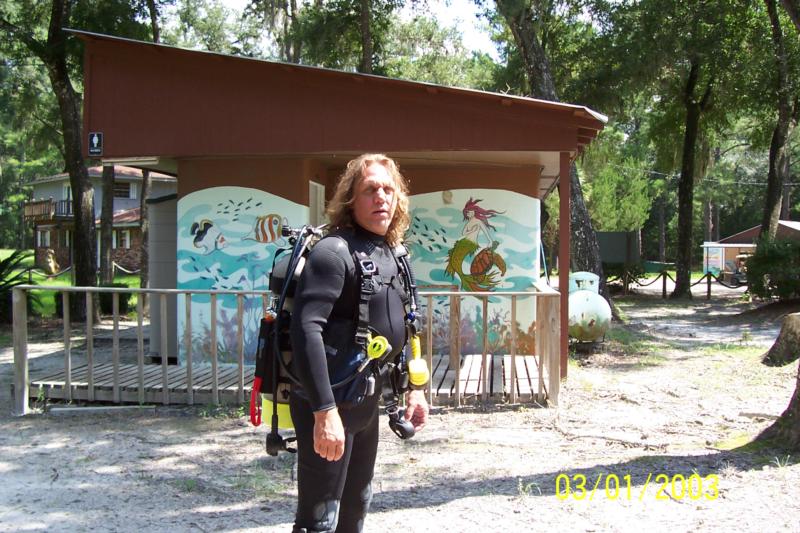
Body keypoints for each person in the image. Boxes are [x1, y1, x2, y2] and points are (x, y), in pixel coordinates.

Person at [289, 153, 429, 533]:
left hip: (366, 404)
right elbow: (306, 330)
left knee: (355, 509)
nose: (381, 197)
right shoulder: (333, 253)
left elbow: (409, 325)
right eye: (370, 190)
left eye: (388, 189)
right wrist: (324, 412)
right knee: (319, 519)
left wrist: (415, 390)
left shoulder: (393, 254)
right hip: (331, 402)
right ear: (351, 200)